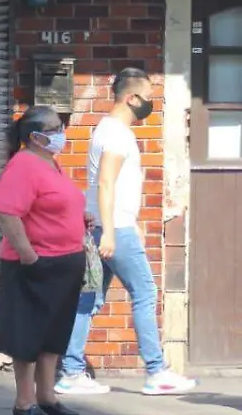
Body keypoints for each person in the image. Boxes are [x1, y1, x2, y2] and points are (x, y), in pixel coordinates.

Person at [56, 68, 197, 397]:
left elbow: (107, 184)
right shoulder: (117, 134)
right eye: (148, 98)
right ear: (132, 98)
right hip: (113, 228)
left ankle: (72, 371)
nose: (151, 104)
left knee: (87, 299)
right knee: (145, 293)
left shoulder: (106, 129)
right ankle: (156, 371)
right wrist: (111, 232)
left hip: (108, 224)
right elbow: (106, 181)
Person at [0, 106, 85, 415]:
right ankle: (24, 402)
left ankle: (47, 396)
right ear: (35, 136)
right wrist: (28, 253)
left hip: (65, 261)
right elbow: (8, 212)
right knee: (29, 335)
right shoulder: (23, 165)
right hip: (35, 264)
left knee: (53, 335)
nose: (62, 132)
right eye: (56, 127)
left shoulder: (51, 164)